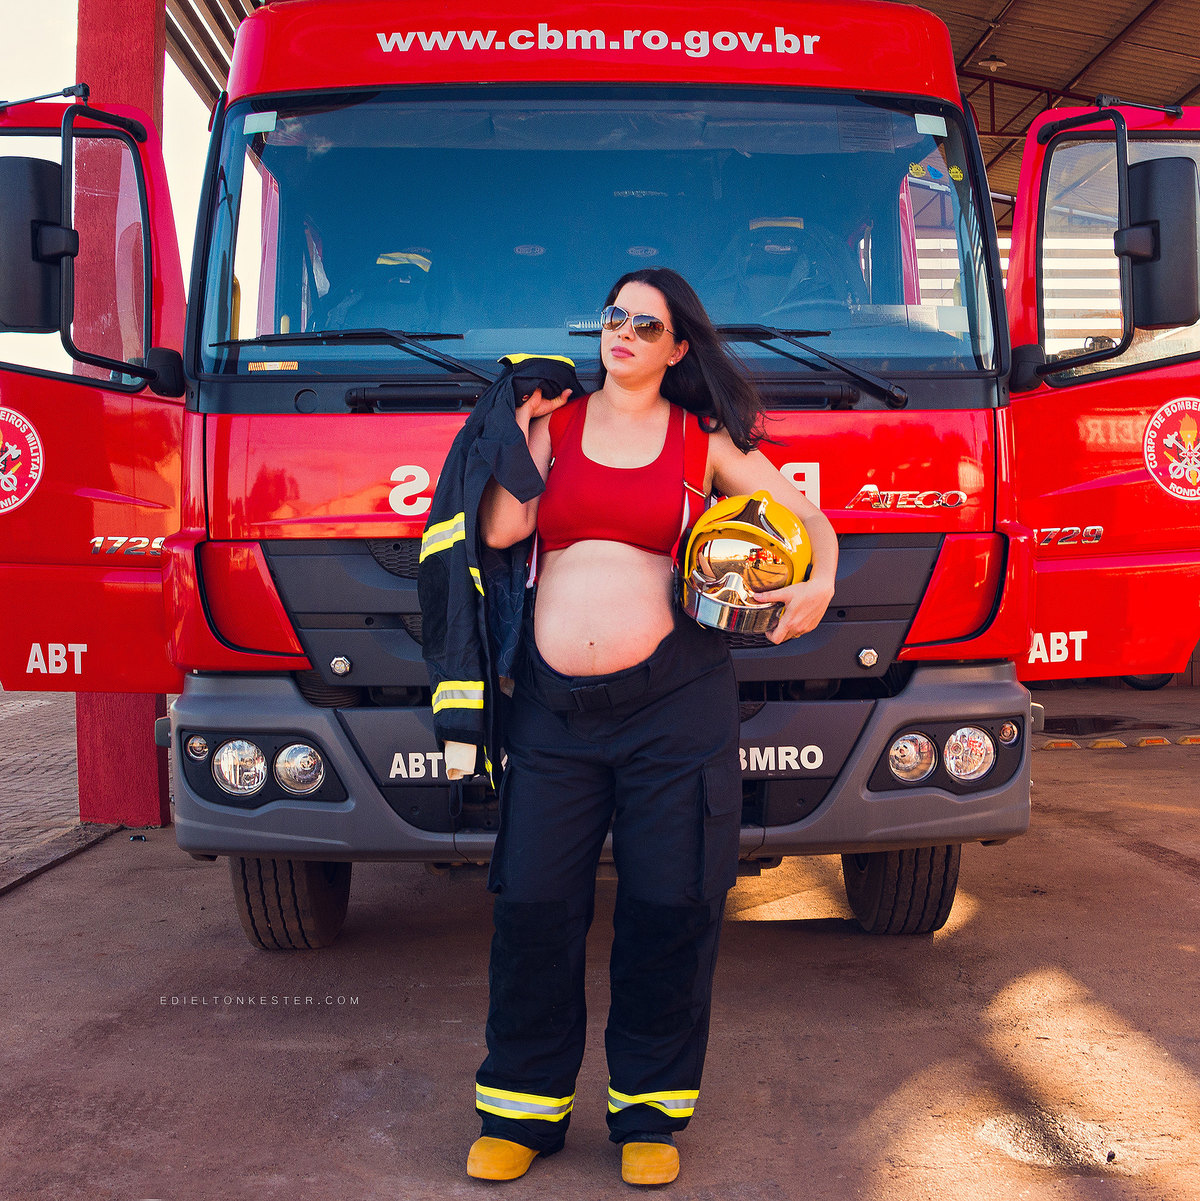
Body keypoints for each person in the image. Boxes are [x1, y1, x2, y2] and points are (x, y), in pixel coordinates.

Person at [467, 267, 838, 1186]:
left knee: (671, 903)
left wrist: (821, 582)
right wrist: (514, 438)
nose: (623, 332)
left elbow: (807, 517)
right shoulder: (553, 425)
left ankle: (649, 1113)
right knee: (533, 903)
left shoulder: (698, 438)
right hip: (553, 708)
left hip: (676, 705)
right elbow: (507, 531)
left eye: (647, 322)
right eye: (615, 317)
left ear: (677, 347)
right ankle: (522, 1107)